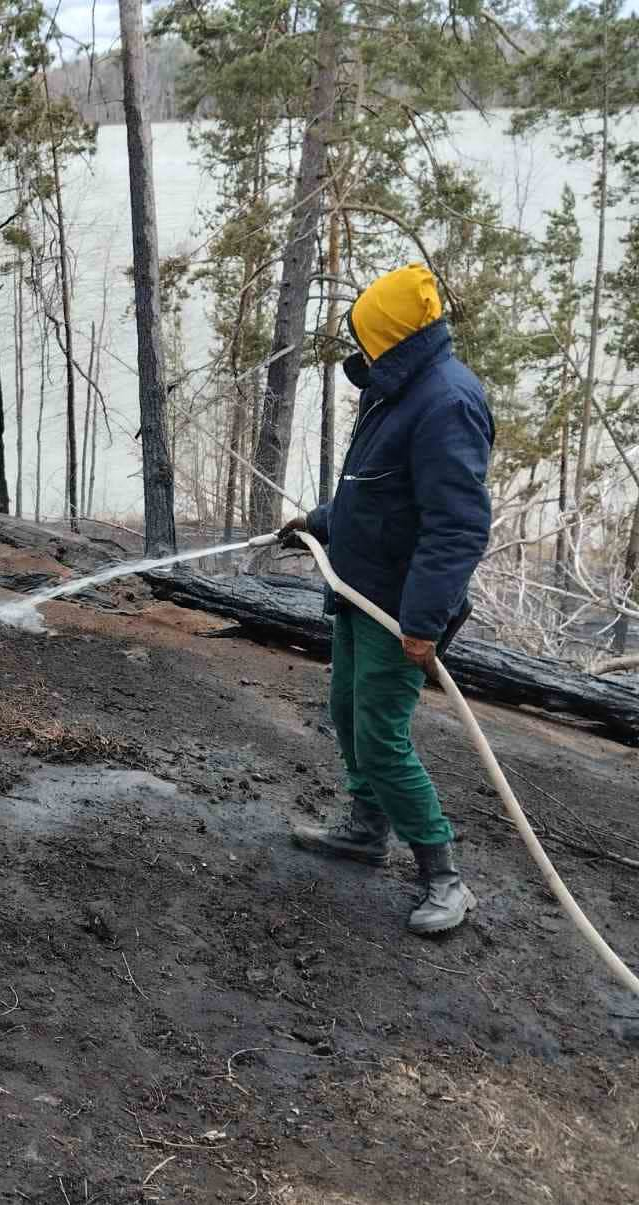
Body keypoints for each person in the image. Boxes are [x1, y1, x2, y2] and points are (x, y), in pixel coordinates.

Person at [279, 263, 494, 936]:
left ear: (394, 336)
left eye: (368, 334)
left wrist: (424, 620)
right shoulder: (394, 388)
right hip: (357, 588)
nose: (361, 347)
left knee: (380, 734)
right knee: (346, 711)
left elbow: (457, 525)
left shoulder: (448, 402)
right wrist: (320, 521)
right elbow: (370, 489)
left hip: (397, 609)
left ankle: (444, 877)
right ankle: (365, 829)